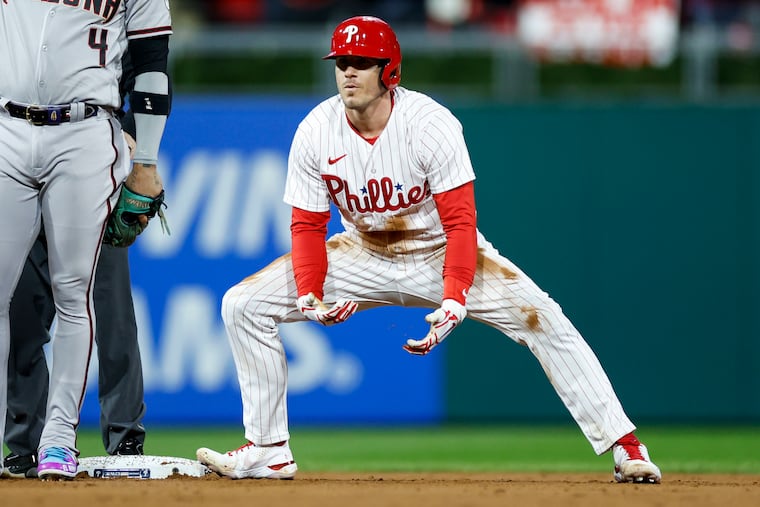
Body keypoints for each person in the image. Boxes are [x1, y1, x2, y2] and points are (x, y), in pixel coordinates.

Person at [195, 15, 662, 484]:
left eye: (361, 62)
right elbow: (308, 224)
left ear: (389, 70)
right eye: (342, 62)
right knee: (243, 304)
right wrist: (309, 294)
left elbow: (460, 221)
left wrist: (455, 297)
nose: (348, 72)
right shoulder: (316, 130)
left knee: (541, 316)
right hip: (360, 252)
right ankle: (270, 450)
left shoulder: (430, 124)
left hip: (438, 249)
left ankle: (626, 445)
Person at [0, 1, 172, 481]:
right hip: (9, 132)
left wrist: (145, 159)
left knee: (93, 297)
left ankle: (93, 438)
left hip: (91, 134)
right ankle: (19, 443)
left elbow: (150, 67)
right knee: (17, 308)